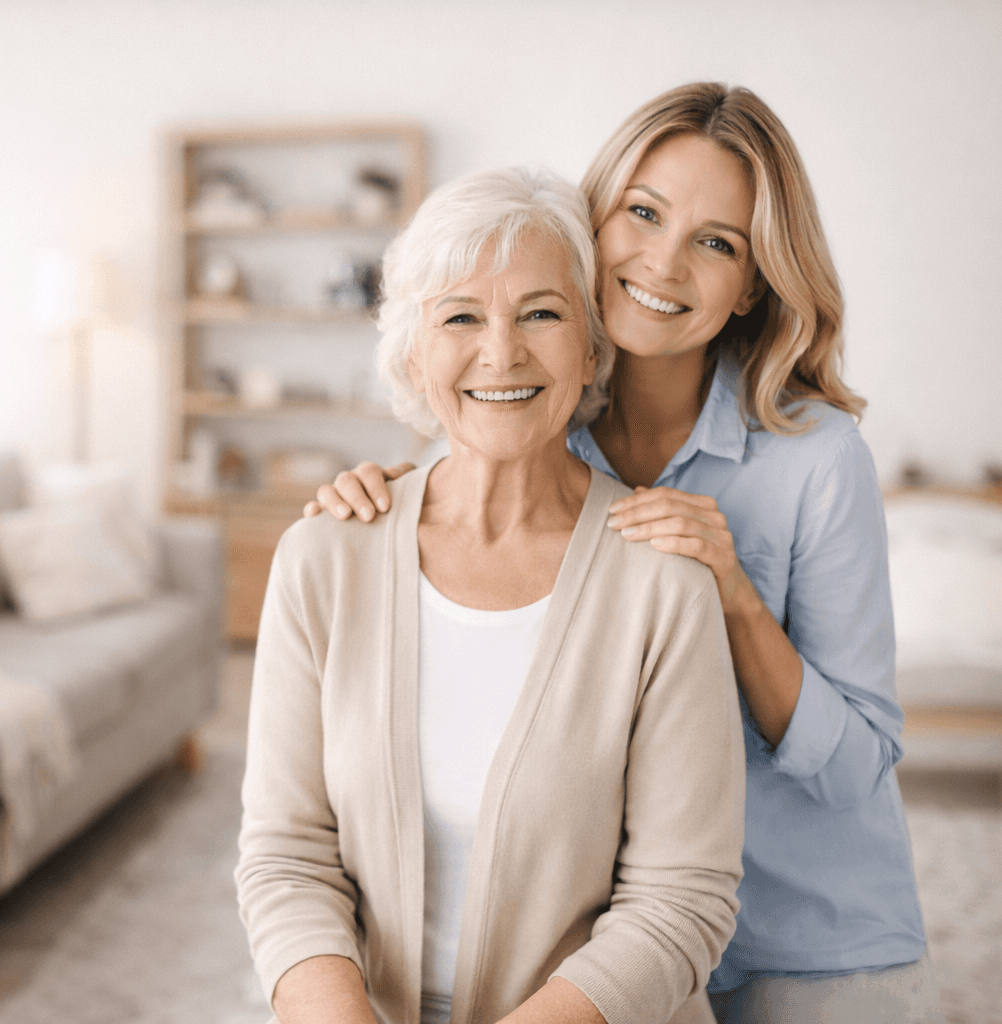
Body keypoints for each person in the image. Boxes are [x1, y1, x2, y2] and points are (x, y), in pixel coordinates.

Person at [305, 83, 941, 1023]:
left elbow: (856, 769)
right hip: (608, 948)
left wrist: (732, 594)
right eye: (641, 214)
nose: (662, 263)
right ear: (591, 224)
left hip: (801, 938)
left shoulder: (817, 459)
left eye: (716, 242)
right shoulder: (532, 425)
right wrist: (375, 496)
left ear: (754, 282)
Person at [237, 165, 745, 1024]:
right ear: (412, 352)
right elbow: (286, 857)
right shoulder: (323, 558)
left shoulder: (664, 578)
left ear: (591, 346)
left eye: (541, 313)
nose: (500, 352)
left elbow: (681, 901)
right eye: (461, 317)